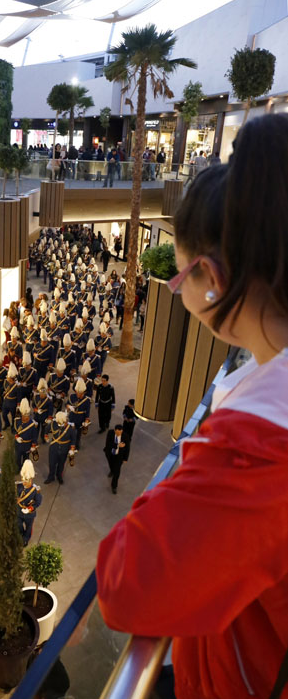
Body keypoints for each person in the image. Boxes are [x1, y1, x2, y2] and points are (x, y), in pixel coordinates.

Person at [97, 114, 288, 699]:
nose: (179, 295)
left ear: (211, 276)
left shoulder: (257, 448)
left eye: (180, 281)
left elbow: (127, 582)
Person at [44, 411, 76, 485]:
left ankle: (59, 476)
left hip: (64, 449)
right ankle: (51, 477)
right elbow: (46, 430)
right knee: (52, 464)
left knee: (61, 464)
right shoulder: (53, 424)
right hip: (53, 448)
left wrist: (72, 449)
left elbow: (73, 438)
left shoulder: (70, 428)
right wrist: (46, 437)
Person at [17, 460, 42, 547]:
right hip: (19, 510)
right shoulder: (18, 486)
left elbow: (38, 502)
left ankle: (25, 539)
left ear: (31, 480)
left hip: (29, 513)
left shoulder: (35, 490)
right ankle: (21, 535)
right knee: (18, 524)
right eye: (23, 481)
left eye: (26, 481)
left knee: (29, 527)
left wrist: (29, 509)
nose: (24, 483)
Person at [103, 423, 130, 494]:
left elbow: (127, 448)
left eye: (120, 433)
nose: (118, 434)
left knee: (117, 472)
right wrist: (118, 445)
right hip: (110, 454)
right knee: (111, 465)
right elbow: (108, 444)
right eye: (117, 433)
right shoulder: (110, 433)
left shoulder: (126, 436)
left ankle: (114, 486)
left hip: (119, 456)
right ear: (115, 430)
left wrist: (125, 458)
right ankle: (112, 471)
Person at [14, 398, 39, 469]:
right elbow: (16, 431)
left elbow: (34, 436)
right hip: (18, 445)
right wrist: (16, 437)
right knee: (17, 459)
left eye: (27, 416)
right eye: (25, 416)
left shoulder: (32, 424)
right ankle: (18, 468)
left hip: (27, 445)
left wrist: (33, 446)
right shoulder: (17, 421)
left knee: (26, 459)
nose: (26, 418)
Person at [67, 377, 91, 451]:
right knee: (70, 433)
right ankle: (70, 445)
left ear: (83, 392)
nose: (78, 394)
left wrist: (86, 421)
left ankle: (77, 446)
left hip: (80, 418)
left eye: (79, 393)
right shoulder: (72, 396)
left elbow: (87, 411)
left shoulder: (86, 400)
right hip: (72, 417)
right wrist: (69, 407)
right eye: (77, 392)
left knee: (78, 434)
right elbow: (67, 404)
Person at [2, 363, 19, 429]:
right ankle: (7, 424)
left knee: (13, 416)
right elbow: (4, 389)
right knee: (4, 414)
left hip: (13, 402)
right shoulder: (6, 382)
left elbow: (19, 396)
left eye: (8, 377)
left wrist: (18, 405)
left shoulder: (17, 386)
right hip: (6, 401)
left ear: (11, 378)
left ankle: (13, 427)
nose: (7, 378)